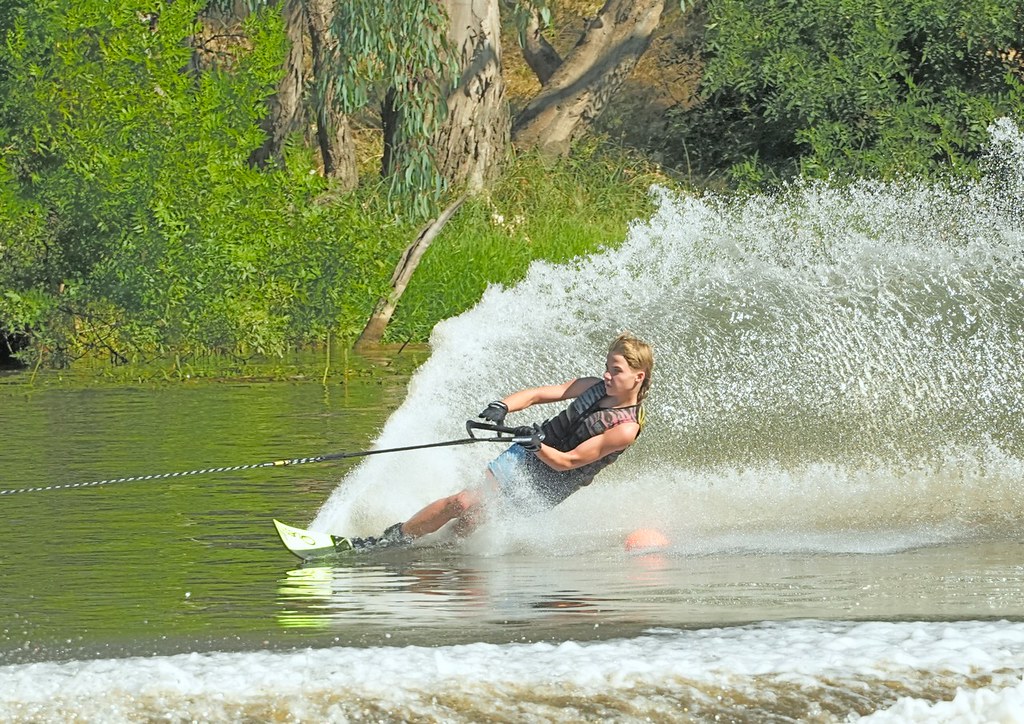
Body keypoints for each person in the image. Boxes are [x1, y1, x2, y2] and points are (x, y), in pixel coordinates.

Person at [356, 332, 654, 549]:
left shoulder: (625, 428)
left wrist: (537, 444)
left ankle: (440, 549)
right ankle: (393, 539)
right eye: (607, 366)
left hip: (555, 481)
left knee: (476, 520)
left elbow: (569, 462)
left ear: (638, 377)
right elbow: (538, 395)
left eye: (616, 370)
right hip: (526, 456)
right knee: (465, 501)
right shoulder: (593, 387)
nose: (606, 375)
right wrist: (503, 406)